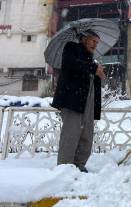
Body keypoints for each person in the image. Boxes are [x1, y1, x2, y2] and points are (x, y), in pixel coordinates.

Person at [52, 30, 106, 173]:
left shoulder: (90, 58)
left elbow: (88, 76)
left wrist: (98, 76)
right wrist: (93, 68)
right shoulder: (71, 48)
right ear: (84, 39)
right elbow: (71, 64)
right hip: (72, 99)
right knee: (71, 133)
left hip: (87, 101)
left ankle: (79, 164)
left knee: (87, 134)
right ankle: (64, 167)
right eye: (93, 41)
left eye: (97, 42)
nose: (95, 45)